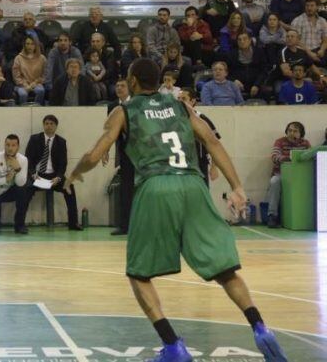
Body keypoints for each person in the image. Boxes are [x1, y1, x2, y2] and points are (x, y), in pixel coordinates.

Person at [69, 57, 287, 362]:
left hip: (156, 187)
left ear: (132, 82)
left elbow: (95, 154)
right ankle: (261, 328)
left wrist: (76, 172)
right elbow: (211, 141)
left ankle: (173, 346)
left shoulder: (124, 110)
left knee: (139, 273)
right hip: (193, 185)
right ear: (158, 82)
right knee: (226, 271)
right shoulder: (181, 106)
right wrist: (237, 186)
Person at [24, 115, 81, 231]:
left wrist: (59, 178)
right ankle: (20, 224)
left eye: (51, 124)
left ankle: (73, 223)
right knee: (25, 190)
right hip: (37, 174)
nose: (49, 126)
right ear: (43, 125)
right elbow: (28, 160)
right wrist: (33, 174)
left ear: (56, 126)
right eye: (46, 123)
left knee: (70, 188)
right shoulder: (34, 139)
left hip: (53, 175)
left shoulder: (61, 142)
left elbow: (63, 164)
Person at [265, 122, 310, 228]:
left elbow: (310, 157)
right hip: (281, 175)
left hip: (300, 176)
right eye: (289, 130)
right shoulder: (280, 142)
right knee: (274, 181)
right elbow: (274, 157)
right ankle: (272, 216)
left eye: (295, 131)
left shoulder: (306, 144)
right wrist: (291, 157)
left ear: (301, 133)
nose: (291, 133)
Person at [105, 79, 133, 235]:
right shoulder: (112, 107)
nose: (119, 88)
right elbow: (110, 132)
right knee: (126, 189)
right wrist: (106, 150)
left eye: (122, 85)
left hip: (141, 153)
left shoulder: (136, 104)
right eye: (116, 85)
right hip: (124, 153)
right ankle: (125, 225)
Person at [178, 88, 221, 187]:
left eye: (183, 99)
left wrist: (214, 167)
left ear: (192, 101)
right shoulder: (172, 120)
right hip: (179, 166)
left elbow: (215, 143)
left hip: (199, 165)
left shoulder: (202, 119)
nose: (180, 102)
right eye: (178, 99)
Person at [0, 134, 29, 233]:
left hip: (10, 191)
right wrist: (6, 179)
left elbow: (20, 183)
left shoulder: (23, 160)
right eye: (8, 145)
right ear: (4, 145)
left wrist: (18, 169)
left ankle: (20, 225)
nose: (10, 148)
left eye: (13, 145)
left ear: (18, 147)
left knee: (23, 191)